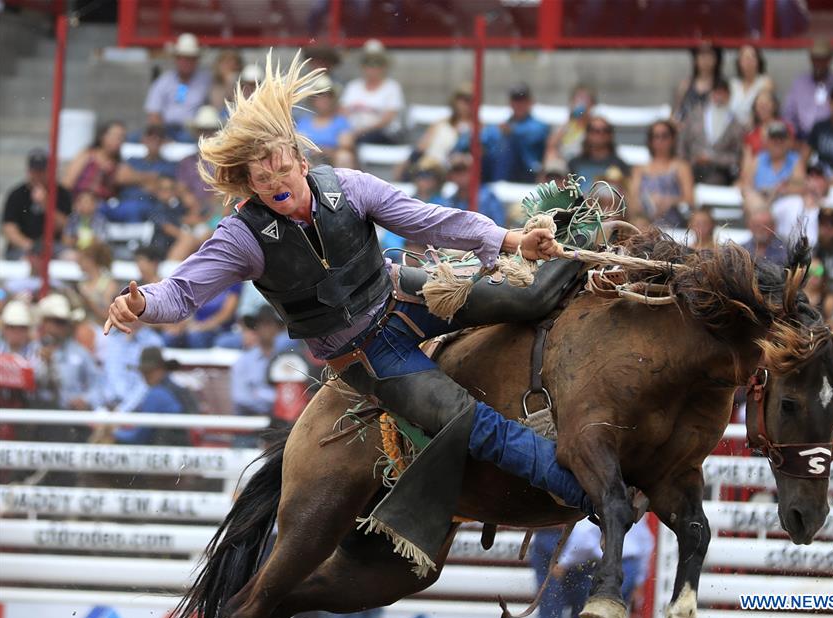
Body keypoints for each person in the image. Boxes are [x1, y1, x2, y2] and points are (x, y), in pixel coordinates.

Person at [104, 53, 598, 568]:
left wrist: (511, 237)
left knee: (536, 296)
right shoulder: (242, 237)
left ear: (298, 157)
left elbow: (428, 221)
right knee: (465, 419)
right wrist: (140, 302)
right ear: (248, 184)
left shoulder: (349, 186)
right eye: (258, 171)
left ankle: (599, 250)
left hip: (409, 294)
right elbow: (182, 293)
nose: (273, 176)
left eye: (277, 160)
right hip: (364, 353)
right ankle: (583, 492)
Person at [114, 346, 196, 446]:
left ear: (161, 369)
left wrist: (114, 433)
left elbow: (138, 437)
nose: (145, 376)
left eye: (149, 371)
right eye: (143, 372)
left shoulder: (157, 394)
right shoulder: (178, 389)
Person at [33, 293, 100, 412]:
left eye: (63, 322)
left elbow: (98, 385)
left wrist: (86, 400)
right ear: (45, 323)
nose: (59, 327)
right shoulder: (32, 350)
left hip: (69, 416)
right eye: (55, 321)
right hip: (37, 414)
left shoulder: (80, 353)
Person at [2, 149, 72, 259]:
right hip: (23, 247)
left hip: (54, 246)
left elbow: (66, 226)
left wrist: (46, 203)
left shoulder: (62, 194)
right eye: (34, 171)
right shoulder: (16, 195)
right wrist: (28, 245)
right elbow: (9, 227)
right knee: (26, 260)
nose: (38, 176)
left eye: (42, 171)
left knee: (71, 257)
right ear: (29, 171)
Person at [143, 33, 212, 142]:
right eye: (182, 58)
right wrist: (161, 135)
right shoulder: (164, 81)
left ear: (197, 60)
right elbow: (153, 113)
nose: (186, 62)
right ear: (176, 59)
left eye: (190, 58)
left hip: (193, 131)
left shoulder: (206, 80)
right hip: (165, 129)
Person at [679, 79, 744, 185]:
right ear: (711, 94)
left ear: (729, 96)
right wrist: (682, 164)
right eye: (716, 92)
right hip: (691, 167)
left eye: (723, 93)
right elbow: (682, 142)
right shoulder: (695, 115)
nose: (719, 96)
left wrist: (712, 158)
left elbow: (737, 156)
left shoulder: (736, 124)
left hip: (718, 172)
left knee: (713, 182)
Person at [629, 120, 694, 226]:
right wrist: (647, 204)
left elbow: (690, 200)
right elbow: (633, 199)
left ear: (673, 139)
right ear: (650, 140)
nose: (660, 140)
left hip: (673, 224)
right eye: (656, 136)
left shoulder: (681, 167)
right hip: (645, 224)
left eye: (664, 136)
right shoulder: (639, 169)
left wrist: (669, 202)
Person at [340, 40, 405, 145]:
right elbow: (343, 111)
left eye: (377, 64)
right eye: (368, 63)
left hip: (383, 133)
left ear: (384, 66)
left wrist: (361, 130)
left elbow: (388, 118)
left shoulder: (392, 87)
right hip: (354, 132)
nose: (372, 68)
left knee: (359, 140)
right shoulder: (353, 86)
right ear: (363, 66)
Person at [482, 83, 551, 183]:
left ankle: (498, 183)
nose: (519, 104)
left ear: (530, 102)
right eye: (515, 100)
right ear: (510, 103)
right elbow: (485, 138)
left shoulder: (539, 126)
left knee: (509, 142)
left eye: (522, 100)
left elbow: (536, 134)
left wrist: (512, 132)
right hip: (499, 170)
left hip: (528, 172)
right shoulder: (502, 126)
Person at [783, 39, 833, 140]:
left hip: (832, 136)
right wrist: (794, 135)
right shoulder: (799, 83)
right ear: (811, 59)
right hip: (803, 136)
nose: (819, 63)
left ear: (830, 60)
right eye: (816, 59)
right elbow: (788, 113)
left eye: (823, 59)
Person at [407, 83, 474, 173]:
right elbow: (420, 149)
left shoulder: (479, 129)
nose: (464, 104)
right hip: (430, 168)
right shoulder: (440, 124)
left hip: (457, 171)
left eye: (468, 100)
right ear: (455, 101)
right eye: (460, 99)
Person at [771, 165, 833, 247]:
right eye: (810, 176)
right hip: (785, 250)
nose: (813, 181)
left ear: (827, 182)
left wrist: (815, 199)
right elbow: (765, 216)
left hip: (816, 251)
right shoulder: (790, 201)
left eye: (818, 178)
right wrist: (778, 192)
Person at [230, 305, 281, 416]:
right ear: (256, 328)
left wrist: (260, 395)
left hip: (278, 421)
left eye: (269, 324)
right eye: (263, 324)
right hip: (250, 422)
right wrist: (275, 399)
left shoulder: (284, 359)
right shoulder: (243, 361)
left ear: (277, 328)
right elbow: (240, 398)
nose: (266, 329)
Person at [61, 121, 126, 202]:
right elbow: (67, 184)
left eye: (121, 137)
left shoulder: (119, 166)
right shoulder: (87, 156)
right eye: (114, 136)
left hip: (103, 210)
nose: (118, 140)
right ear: (102, 136)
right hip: (78, 205)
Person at [740, 120, 804, 201]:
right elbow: (746, 185)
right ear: (767, 142)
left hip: (784, 202)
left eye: (781, 138)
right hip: (760, 202)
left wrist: (780, 191)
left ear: (788, 142)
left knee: (796, 201)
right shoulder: (758, 159)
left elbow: (800, 187)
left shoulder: (795, 160)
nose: (777, 142)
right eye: (774, 139)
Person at [295, 75, 353, 162]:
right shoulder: (303, 122)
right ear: (312, 100)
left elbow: (346, 145)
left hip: (332, 161)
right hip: (307, 161)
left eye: (327, 95)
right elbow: (297, 145)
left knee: (344, 157)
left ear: (333, 99)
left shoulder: (340, 122)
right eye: (319, 95)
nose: (323, 99)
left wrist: (323, 151)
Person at [177, 106, 222, 210]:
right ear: (197, 133)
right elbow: (181, 189)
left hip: (217, 211)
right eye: (203, 131)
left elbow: (227, 193)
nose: (207, 135)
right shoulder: (187, 162)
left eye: (210, 131)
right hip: (192, 210)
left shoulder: (225, 162)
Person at [568, 116, 630, 192]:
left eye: (605, 130)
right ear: (587, 134)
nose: (600, 134)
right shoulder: (574, 163)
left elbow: (627, 195)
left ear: (611, 135)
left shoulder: (620, 165)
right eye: (594, 130)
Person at [445, 152, 506, 226]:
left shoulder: (488, 197)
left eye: (464, 171)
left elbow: (499, 224)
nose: (460, 176)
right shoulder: (450, 201)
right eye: (456, 172)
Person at [544, 84, 598, 164]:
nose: (581, 102)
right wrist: (570, 121)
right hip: (565, 165)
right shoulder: (567, 124)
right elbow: (551, 145)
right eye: (578, 98)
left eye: (585, 99)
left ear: (592, 104)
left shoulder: (595, 125)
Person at [673, 42, 723, 124]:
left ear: (716, 59)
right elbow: (676, 113)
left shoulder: (721, 86)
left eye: (709, 55)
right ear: (695, 59)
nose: (705, 59)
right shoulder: (685, 85)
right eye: (701, 55)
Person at [729, 44, 774, 126]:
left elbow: (764, 110)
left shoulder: (765, 82)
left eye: (752, 57)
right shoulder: (732, 84)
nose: (748, 61)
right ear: (739, 62)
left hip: (755, 128)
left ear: (758, 61)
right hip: (733, 130)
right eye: (745, 58)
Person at [743, 91, 791, 157]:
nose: (762, 107)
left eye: (766, 104)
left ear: (774, 106)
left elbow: (791, 152)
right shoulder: (751, 133)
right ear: (755, 109)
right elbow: (747, 159)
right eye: (759, 105)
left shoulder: (785, 127)